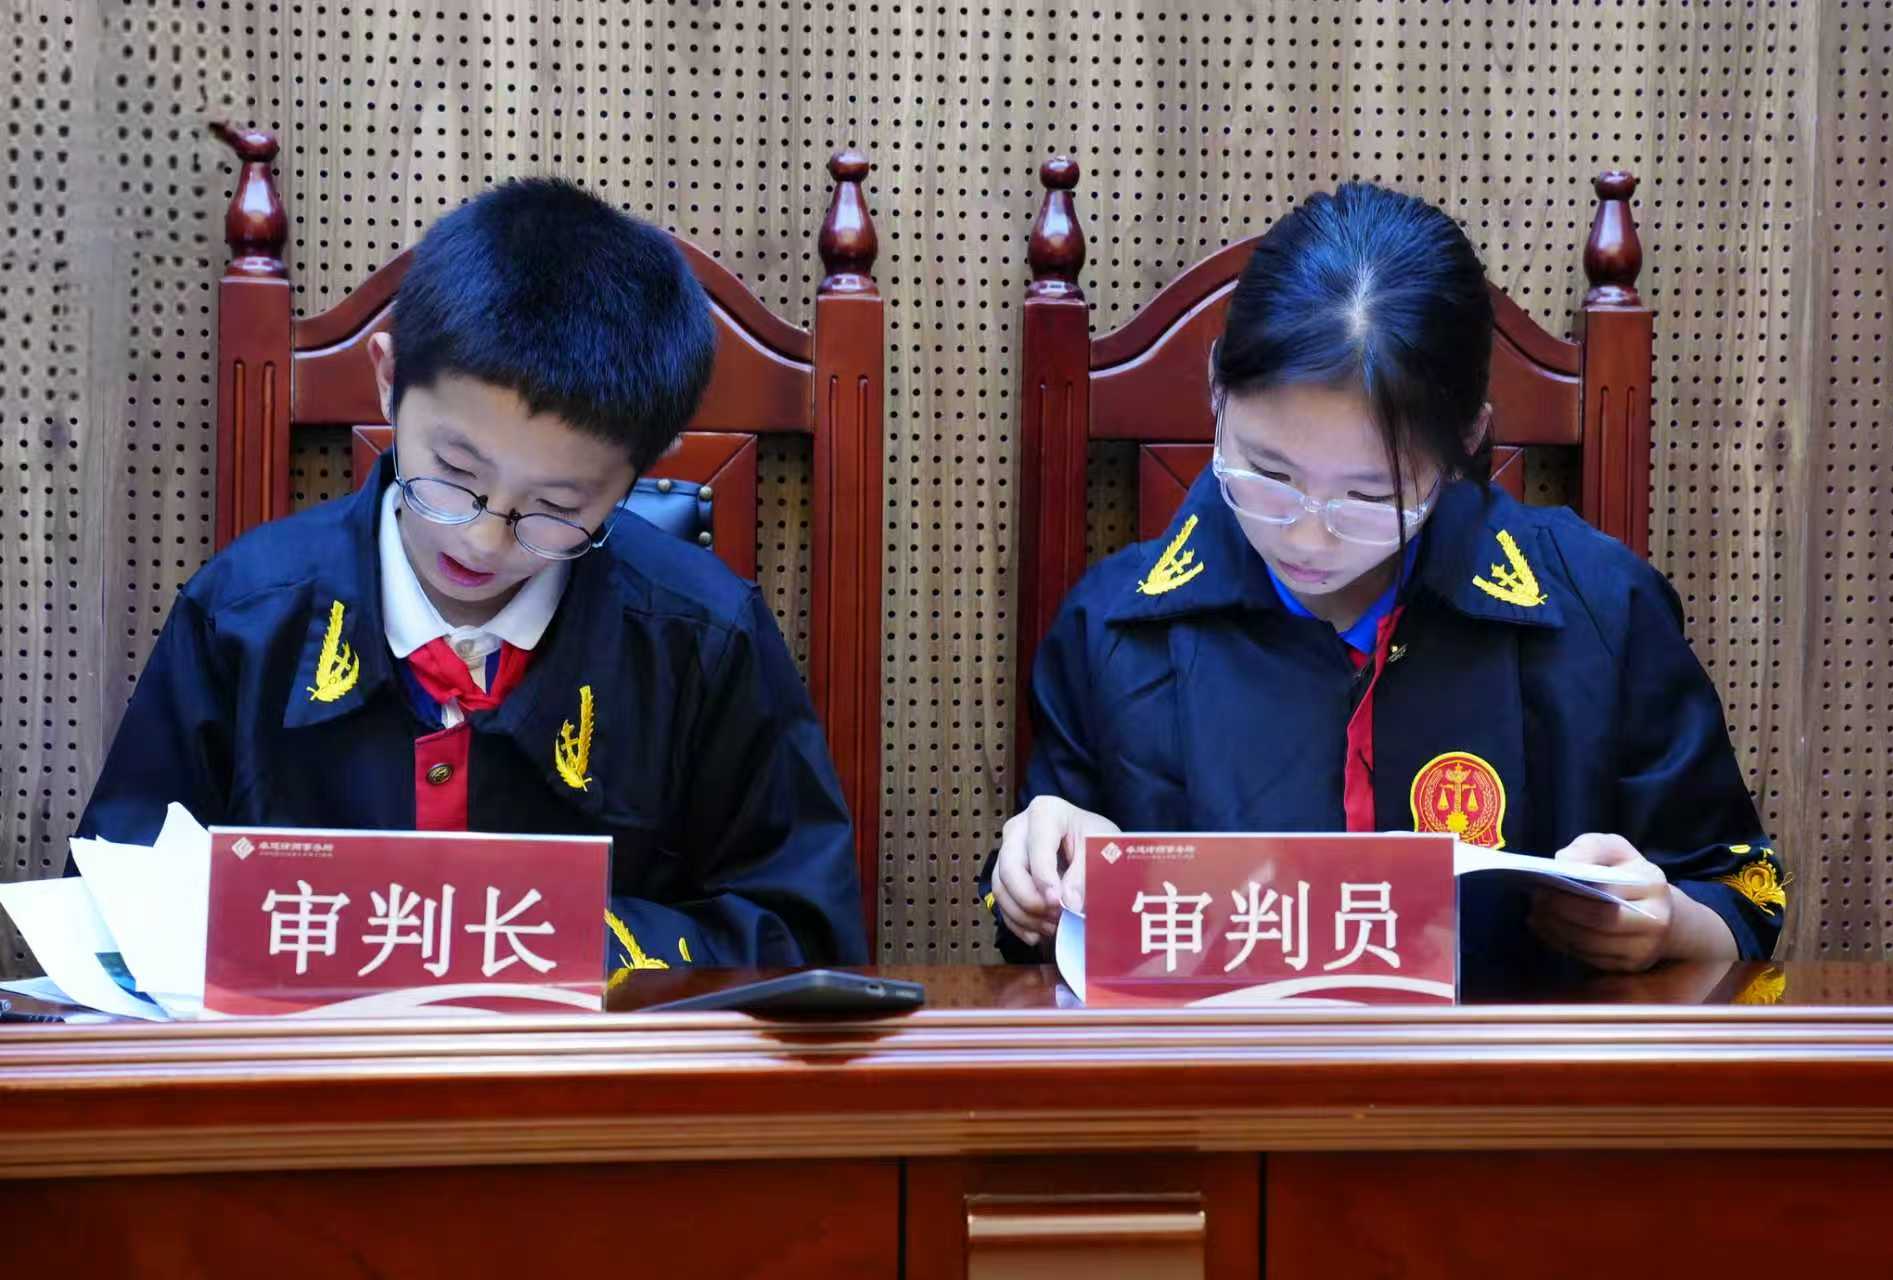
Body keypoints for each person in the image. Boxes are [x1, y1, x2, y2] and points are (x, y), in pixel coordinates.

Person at [982, 182, 1785, 976]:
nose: (1308, 535)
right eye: (1268, 475)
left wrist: (1669, 924)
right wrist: (1043, 880)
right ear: (1218, 387)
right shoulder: (1113, 629)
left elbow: (1746, 894)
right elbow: (1035, 941)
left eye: (1369, 497)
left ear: (1465, 440)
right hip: (1219, 1065)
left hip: (1509, 1064)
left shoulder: (1600, 609)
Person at [79, 178, 868, 971]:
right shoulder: (244, 615)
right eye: (455, 475)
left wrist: (541, 941)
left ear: (637, 476)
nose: (485, 540)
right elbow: (119, 911)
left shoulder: (704, 639)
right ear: (388, 378)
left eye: (557, 507)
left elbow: (804, 935)